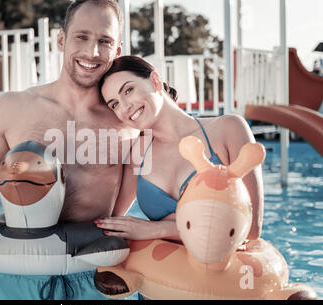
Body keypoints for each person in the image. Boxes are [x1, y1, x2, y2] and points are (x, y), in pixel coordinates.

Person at [0, 0, 139, 300]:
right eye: (82, 37)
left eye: (104, 41)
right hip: (15, 277)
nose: (92, 52)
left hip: (93, 279)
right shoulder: (13, 108)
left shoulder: (128, 122)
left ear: (117, 50)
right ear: (61, 40)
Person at [94, 55, 264, 243]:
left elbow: (251, 228)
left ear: (155, 81)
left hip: (222, 268)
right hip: (166, 269)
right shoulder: (138, 153)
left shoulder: (228, 129)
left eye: (128, 90)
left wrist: (158, 229)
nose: (125, 107)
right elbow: (111, 221)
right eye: (115, 104)